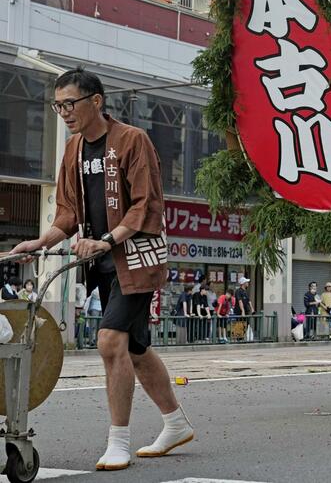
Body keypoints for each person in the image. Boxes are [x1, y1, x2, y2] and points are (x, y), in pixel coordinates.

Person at [9, 68, 193, 470]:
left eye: (70, 104)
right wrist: (41, 242)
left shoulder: (132, 140)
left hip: (137, 260)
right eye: (58, 105)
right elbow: (68, 213)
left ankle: (118, 441)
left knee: (111, 341)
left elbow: (145, 205)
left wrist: (107, 240)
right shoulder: (73, 149)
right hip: (102, 264)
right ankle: (176, 423)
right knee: (137, 350)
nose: (64, 112)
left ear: (96, 101)